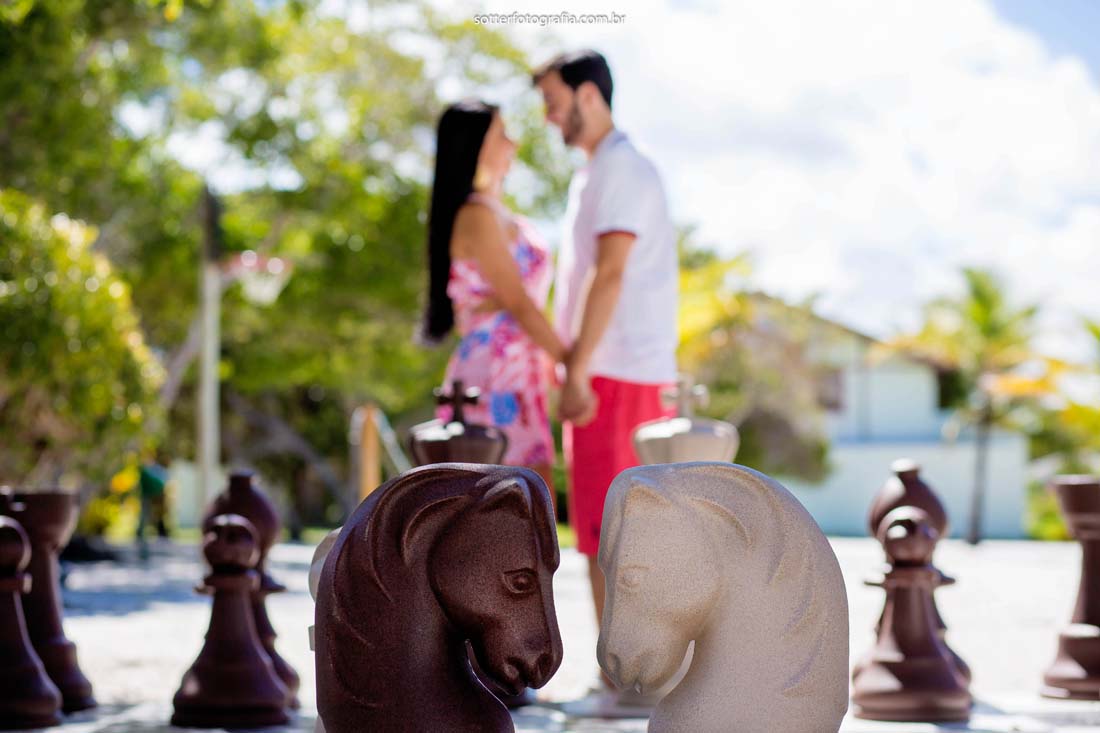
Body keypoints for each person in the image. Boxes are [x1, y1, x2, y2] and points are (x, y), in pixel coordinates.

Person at [534, 50, 679, 629]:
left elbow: (610, 272)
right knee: (602, 529)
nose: (547, 117)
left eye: (553, 102)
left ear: (588, 95)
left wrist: (578, 370)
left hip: (618, 372)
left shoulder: (621, 167)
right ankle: (620, 665)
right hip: (608, 369)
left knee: (620, 532)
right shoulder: (595, 172)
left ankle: (630, 666)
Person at [421, 99, 568, 503]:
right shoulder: (476, 216)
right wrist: (572, 362)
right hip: (493, 371)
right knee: (504, 502)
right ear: (476, 146)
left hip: (520, 370)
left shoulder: (499, 213)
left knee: (530, 500)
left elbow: (518, 303)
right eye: (501, 134)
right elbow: (519, 303)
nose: (513, 143)